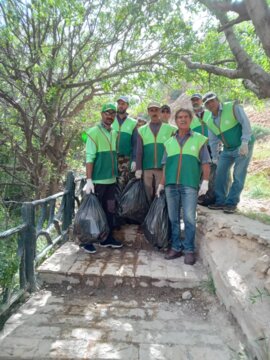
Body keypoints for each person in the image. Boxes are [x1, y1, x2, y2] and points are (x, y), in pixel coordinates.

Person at [156, 108, 211, 265]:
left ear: (191, 119)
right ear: (175, 120)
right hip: (171, 186)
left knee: (188, 219)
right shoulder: (169, 143)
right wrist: (161, 183)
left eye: (186, 117)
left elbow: (206, 163)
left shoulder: (199, 139)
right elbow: (165, 166)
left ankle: (189, 250)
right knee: (173, 218)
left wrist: (205, 182)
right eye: (179, 117)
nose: (182, 119)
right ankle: (175, 247)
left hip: (189, 185)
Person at [202, 92, 255, 214]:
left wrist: (245, 142)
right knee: (220, 173)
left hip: (243, 145)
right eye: (207, 103)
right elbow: (213, 141)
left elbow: (245, 123)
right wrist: (215, 157)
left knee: (238, 174)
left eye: (212, 100)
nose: (210, 104)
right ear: (205, 106)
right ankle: (220, 201)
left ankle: (231, 203)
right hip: (227, 149)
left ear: (217, 99)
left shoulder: (232, 107)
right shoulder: (210, 121)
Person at [82, 103, 123, 253]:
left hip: (111, 180)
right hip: (98, 180)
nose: (110, 116)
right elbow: (89, 157)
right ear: (101, 114)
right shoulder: (93, 132)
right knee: (93, 212)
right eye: (107, 113)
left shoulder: (114, 132)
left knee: (109, 211)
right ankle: (87, 240)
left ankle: (106, 239)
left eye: (113, 113)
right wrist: (88, 179)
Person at [135, 102, 176, 202]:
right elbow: (139, 151)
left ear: (160, 112)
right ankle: (149, 215)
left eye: (157, 110)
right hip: (147, 167)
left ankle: (159, 216)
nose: (154, 113)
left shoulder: (171, 129)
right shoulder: (141, 130)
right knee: (147, 192)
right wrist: (138, 168)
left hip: (163, 167)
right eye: (151, 110)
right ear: (148, 112)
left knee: (160, 192)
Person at [112, 96, 137, 187]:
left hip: (125, 160)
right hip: (111, 157)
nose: (120, 106)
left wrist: (134, 160)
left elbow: (135, 144)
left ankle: (120, 201)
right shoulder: (110, 119)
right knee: (110, 184)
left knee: (122, 184)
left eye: (123, 104)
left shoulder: (133, 123)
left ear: (127, 106)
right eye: (119, 104)